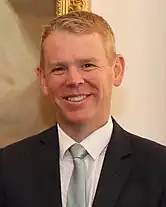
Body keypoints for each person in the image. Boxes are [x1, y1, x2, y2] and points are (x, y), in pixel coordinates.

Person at [0, 11, 166, 207]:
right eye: (59, 69)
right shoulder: (7, 168)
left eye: (87, 65)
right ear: (43, 79)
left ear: (117, 70)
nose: (74, 80)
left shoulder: (159, 169)